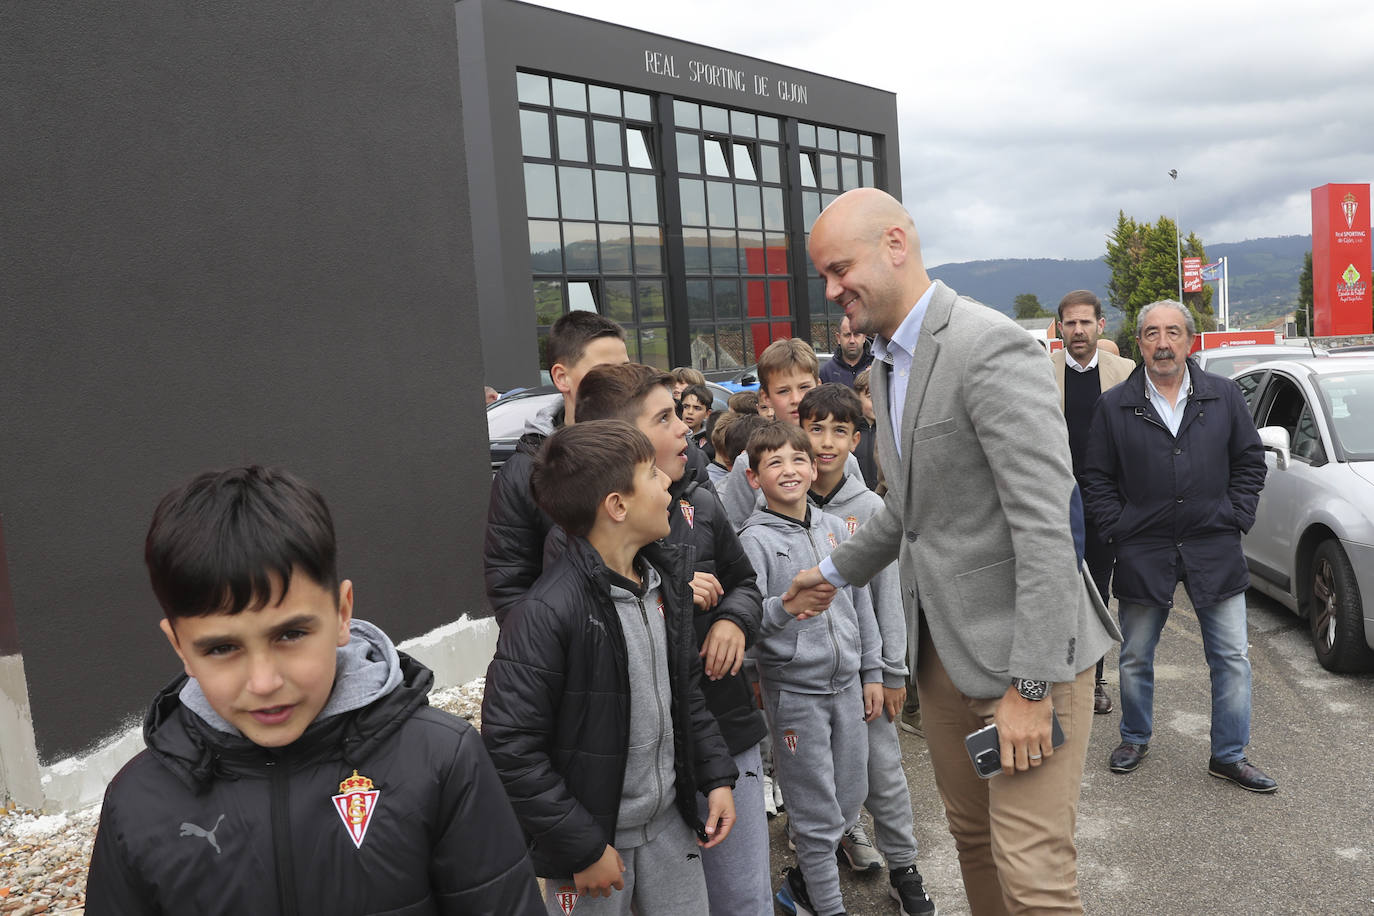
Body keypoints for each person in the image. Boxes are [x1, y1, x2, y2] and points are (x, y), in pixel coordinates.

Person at [787, 187, 1119, 915]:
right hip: (941, 660)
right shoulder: (883, 365)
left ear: (896, 245)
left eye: (840, 268)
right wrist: (833, 572)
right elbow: (910, 513)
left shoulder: (987, 344)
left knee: (1033, 877)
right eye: (824, 277)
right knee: (972, 843)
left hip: (1026, 662)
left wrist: (1031, 688)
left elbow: (1045, 528)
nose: (832, 290)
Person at [86, 466, 543, 915]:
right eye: (223, 648)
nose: (264, 682)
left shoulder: (442, 761)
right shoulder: (137, 804)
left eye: (290, 635)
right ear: (179, 647)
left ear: (342, 613)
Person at [481, 421, 738, 915]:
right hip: (594, 850)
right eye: (650, 474)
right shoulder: (546, 612)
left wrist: (716, 777)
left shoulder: (663, 586)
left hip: (670, 826)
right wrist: (583, 846)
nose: (667, 480)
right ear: (617, 506)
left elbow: (685, 695)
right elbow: (511, 746)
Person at [576, 364, 772, 916]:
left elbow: (746, 584)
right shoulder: (584, 536)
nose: (686, 428)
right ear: (622, 442)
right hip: (648, 769)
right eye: (665, 417)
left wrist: (734, 620)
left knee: (742, 895)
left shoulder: (703, 504)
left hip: (724, 731)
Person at [1082, 300, 1275, 792]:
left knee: (1232, 657)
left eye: (1172, 332)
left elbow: (1251, 462)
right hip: (1144, 547)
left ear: (1190, 341)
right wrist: (1118, 526)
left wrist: (1236, 515)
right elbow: (1096, 477)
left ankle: (1229, 755)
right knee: (1136, 655)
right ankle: (1134, 736)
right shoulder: (1115, 405)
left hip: (1214, 544)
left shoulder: (1224, 396)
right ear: (1139, 343)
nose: (1162, 343)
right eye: (1151, 333)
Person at [735, 421, 888, 916]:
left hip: (847, 688)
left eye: (797, 459)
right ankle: (828, 906)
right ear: (754, 478)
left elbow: (860, 604)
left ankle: (797, 888)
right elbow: (749, 620)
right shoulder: (752, 542)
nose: (790, 469)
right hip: (795, 693)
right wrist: (787, 604)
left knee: (851, 796)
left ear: (813, 465)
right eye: (774, 462)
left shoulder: (834, 528)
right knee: (814, 811)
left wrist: (872, 672)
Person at [799, 384, 935, 916]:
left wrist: (892, 671)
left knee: (884, 771)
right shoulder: (784, 501)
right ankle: (827, 860)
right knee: (820, 776)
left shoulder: (873, 507)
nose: (826, 443)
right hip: (808, 677)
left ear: (858, 439)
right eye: (815, 429)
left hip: (867, 674)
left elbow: (889, 598)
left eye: (839, 431)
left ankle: (904, 867)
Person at [482, 311, 628, 623]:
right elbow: (511, 589)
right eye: (605, 371)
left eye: (625, 370)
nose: (621, 383)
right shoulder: (523, 474)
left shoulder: (655, 452)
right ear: (562, 377)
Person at [1051, 290, 1137, 716]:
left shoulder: (1125, 372)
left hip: (1105, 503)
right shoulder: (1040, 372)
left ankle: (1094, 681)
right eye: (1071, 323)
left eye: (1086, 322)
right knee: (1057, 590)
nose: (1079, 330)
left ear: (1100, 325)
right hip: (1056, 504)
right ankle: (1054, 676)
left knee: (1099, 593)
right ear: (1059, 328)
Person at [717, 338, 861, 528]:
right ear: (765, 397)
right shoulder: (749, 462)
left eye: (804, 387)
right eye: (783, 391)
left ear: (818, 384)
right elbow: (735, 535)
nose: (796, 399)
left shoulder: (840, 456)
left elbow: (861, 507)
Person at [819, 314, 874, 388]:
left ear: (864, 337)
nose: (852, 340)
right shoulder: (826, 373)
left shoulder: (877, 367)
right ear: (838, 338)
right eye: (847, 335)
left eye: (856, 335)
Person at [850, 367, 881, 491]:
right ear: (858, 398)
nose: (878, 402)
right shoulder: (850, 431)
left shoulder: (890, 433)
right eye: (870, 397)